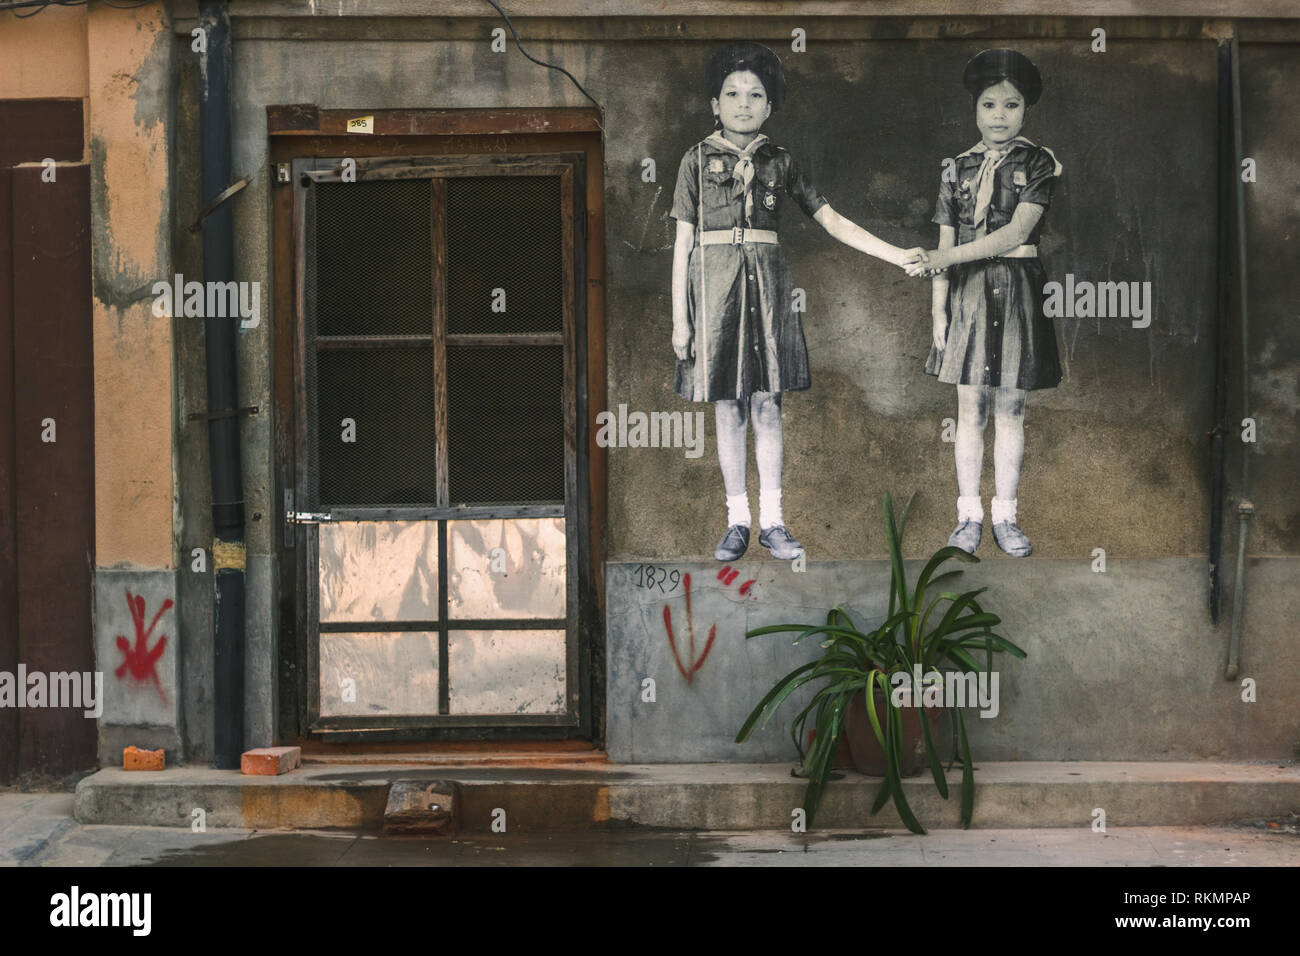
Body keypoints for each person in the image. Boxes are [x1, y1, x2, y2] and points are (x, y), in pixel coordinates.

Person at [671, 41, 924, 561]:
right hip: (713, 293)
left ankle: (774, 521)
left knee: (767, 403)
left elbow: (832, 221)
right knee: (729, 406)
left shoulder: (780, 162)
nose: (744, 103)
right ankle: (737, 519)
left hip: (768, 290)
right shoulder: (694, 160)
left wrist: (897, 255)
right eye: (732, 94)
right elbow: (682, 245)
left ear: (770, 106)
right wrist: (682, 320)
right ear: (714, 105)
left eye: (756, 94)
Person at [907, 48, 1063, 557]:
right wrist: (938, 309)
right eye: (990, 104)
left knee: (1011, 406)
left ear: (1025, 110)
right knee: (969, 405)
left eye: (1012, 105)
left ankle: (1007, 516)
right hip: (968, 293)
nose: (1000, 115)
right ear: (975, 108)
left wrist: (938, 257)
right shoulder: (955, 169)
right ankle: (968, 516)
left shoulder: (1038, 162)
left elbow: (1014, 232)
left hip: (1018, 286)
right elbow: (945, 241)